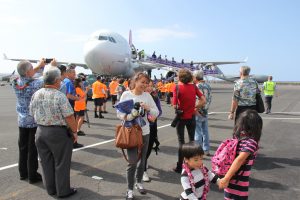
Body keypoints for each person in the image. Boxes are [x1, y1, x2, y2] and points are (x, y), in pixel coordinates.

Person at [29, 67, 78, 198]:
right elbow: (69, 116)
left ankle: (50, 189)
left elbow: (31, 112)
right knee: (61, 162)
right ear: (56, 80)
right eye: (60, 79)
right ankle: (63, 190)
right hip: (57, 133)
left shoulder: (37, 93)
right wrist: (74, 131)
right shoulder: (59, 96)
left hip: (40, 131)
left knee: (46, 162)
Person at [117, 72, 159, 200]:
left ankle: (139, 182)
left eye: (147, 83)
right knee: (132, 162)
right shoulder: (126, 94)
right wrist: (130, 116)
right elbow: (119, 112)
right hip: (130, 132)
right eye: (142, 82)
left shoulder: (147, 96)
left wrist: (148, 108)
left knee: (142, 160)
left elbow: (156, 112)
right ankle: (129, 189)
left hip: (145, 132)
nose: (145, 85)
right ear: (135, 81)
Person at [12, 59, 46, 183]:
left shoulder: (15, 82)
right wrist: (46, 66)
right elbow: (46, 77)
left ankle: (23, 173)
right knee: (33, 149)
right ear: (27, 72)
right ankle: (32, 175)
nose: (34, 69)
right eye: (32, 68)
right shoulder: (36, 83)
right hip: (33, 121)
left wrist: (38, 66)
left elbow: (28, 75)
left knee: (22, 148)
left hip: (21, 121)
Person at [218, 110, 263, 200]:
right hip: (238, 181)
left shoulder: (238, 138)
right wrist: (226, 178)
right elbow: (239, 160)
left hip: (230, 176)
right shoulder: (251, 142)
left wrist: (226, 178)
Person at [172, 69, 206, 173]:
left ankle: (179, 166)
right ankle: (192, 165)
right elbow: (203, 100)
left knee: (181, 142)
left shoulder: (177, 87)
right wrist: (194, 107)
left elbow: (174, 105)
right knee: (192, 141)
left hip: (181, 118)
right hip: (191, 117)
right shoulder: (194, 87)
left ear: (180, 77)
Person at [143, 80, 162, 182]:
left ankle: (144, 162)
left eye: (151, 86)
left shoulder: (155, 97)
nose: (149, 87)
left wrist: (154, 116)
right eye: (147, 85)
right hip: (141, 127)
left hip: (152, 126)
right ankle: (143, 170)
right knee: (141, 149)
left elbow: (159, 111)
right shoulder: (140, 97)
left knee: (149, 146)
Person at [193, 70, 212, 156]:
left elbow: (198, 100)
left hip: (198, 111)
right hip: (206, 111)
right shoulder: (208, 85)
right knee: (205, 131)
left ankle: (198, 151)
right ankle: (206, 150)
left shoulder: (196, 86)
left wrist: (195, 108)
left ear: (195, 77)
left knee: (197, 132)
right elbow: (210, 98)